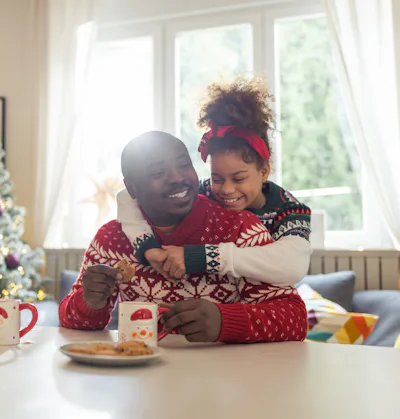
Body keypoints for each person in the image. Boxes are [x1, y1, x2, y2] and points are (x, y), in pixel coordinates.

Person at [58, 131, 307, 343]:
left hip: (224, 385)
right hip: (139, 384)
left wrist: (225, 321)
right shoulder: (111, 239)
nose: (177, 177)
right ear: (132, 187)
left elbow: (294, 319)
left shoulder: (238, 228)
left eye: (184, 165)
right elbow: (71, 320)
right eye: (158, 173)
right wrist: (88, 302)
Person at [118, 76, 311, 285]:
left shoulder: (288, 210)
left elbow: (293, 266)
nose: (227, 189)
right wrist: (146, 245)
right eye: (217, 178)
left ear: (264, 171)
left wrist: (202, 257)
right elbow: (126, 196)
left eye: (239, 178)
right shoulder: (203, 192)